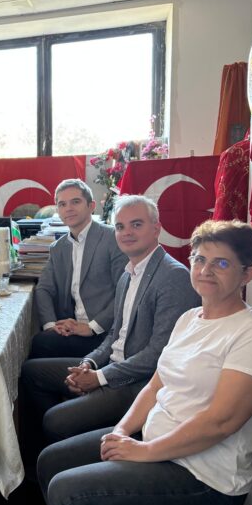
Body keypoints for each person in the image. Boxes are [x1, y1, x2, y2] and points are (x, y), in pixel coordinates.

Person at [38, 220, 252, 505]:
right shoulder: (189, 318)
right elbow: (155, 387)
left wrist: (144, 451)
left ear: (246, 274)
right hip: (156, 444)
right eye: (200, 259)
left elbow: (221, 422)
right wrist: (121, 432)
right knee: (50, 460)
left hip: (203, 479)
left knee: (66, 492)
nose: (206, 270)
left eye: (221, 263)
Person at [20, 195, 199, 459]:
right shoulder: (128, 273)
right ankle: (45, 458)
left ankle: (65, 455)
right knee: (31, 372)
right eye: (120, 227)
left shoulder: (173, 276)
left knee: (55, 420)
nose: (127, 233)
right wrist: (89, 364)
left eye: (136, 225)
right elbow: (115, 334)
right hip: (111, 365)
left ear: (156, 229)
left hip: (138, 382)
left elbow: (158, 355)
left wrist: (100, 377)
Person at [31, 179, 128, 358]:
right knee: (43, 341)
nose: (68, 208)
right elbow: (44, 288)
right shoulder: (58, 248)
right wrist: (51, 326)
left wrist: (92, 327)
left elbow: (125, 292)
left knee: (39, 347)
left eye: (75, 202)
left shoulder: (113, 239)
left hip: (105, 332)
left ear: (91, 206)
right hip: (73, 328)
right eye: (62, 204)